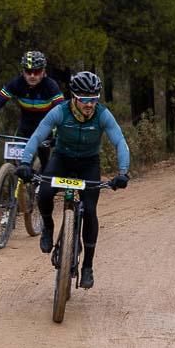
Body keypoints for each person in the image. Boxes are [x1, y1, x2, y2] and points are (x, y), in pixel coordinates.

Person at [15, 71, 130, 290]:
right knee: (45, 193)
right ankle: (48, 227)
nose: (90, 104)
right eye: (85, 99)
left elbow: (119, 141)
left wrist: (123, 172)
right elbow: (37, 136)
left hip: (89, 163)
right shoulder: (60, 112)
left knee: (90, 211)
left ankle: (87, 266)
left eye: (94, 98)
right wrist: (25, 163)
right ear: (74, 97)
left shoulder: (103, 115)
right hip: (63, 159)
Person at [0, 50, 65, 166]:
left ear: (43, 71)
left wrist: (59, 134)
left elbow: (62, 110)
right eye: (28, 71)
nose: (32, 76)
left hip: (45, 129)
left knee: (45, 164)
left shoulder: (51, 86)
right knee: (20, 164)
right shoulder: (16, 83)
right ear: (23, 71)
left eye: (37, 72)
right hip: (25, 127)